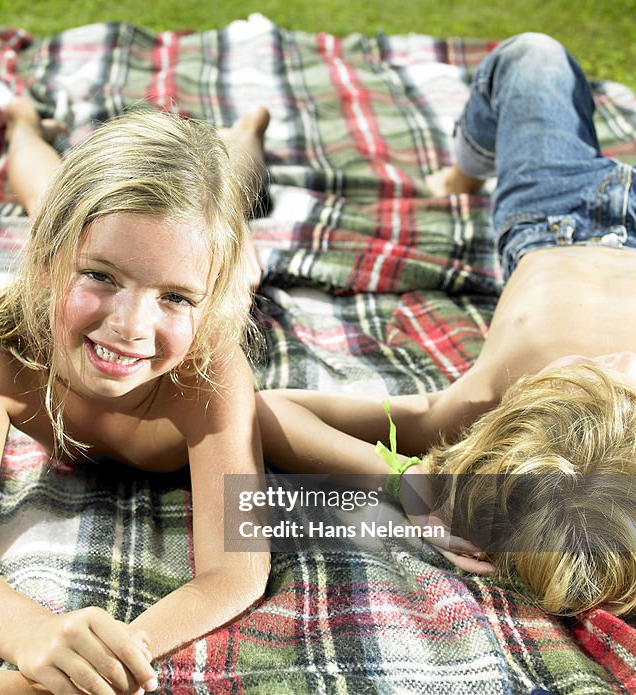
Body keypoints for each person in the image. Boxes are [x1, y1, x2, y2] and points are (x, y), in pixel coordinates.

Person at [0, 103, 272, 695]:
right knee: (42, 191)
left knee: (231, 196)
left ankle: (245, 136)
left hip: (227, 262)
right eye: (99, 276)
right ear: (47, 263)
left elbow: (235, 568)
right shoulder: (4, 338)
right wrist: (37, 637)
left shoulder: (212, 365)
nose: (130, 325)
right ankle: (24, 125)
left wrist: (58, 687)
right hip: (56, 243)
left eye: (176, 297)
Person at [257, 33, 636, 617]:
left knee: (533, 55)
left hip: (556, 211)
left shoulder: (484, 399)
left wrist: (407, 486)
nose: (614, 360)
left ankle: (460, 175)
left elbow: (261, 410)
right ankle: (463, 171)